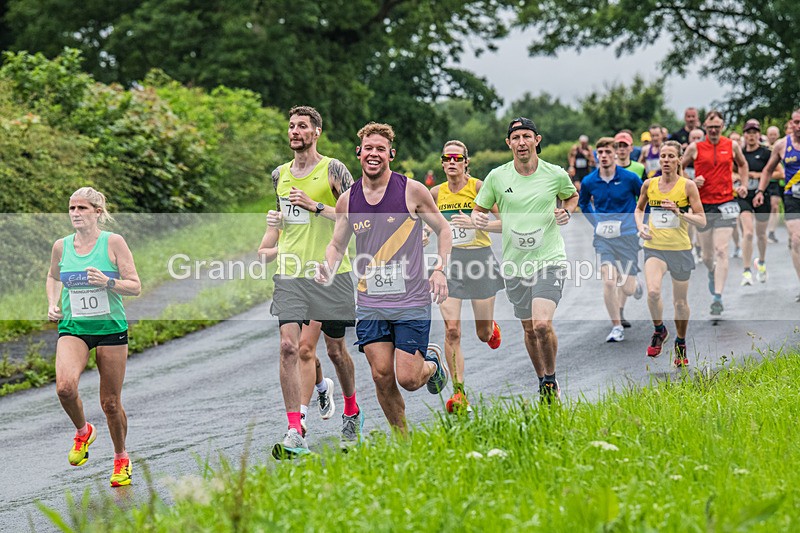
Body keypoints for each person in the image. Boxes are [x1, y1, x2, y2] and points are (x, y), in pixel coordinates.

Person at [318, 122, 452, 433]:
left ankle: (431, 364)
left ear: (391, 154)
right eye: (369, 148)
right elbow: (337, 244)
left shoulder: (411, 190)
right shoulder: (348, 200)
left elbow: (444, 229)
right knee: (381, 375)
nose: (374, 154)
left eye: (381, 149)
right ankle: (403, 444)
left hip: (411, 300)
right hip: (371, 301)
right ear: (359, 153)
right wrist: (327, 266)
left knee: (408, 378)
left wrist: (440, 269)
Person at [266, 105, 361, 459]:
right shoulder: (279, 174)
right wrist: (274, 228)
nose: (295, 131)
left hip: (330, 271)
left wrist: (315, 206)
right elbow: (284, 221)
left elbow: (357, 216)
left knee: (335, 351)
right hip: (291, 272)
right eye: (291, 126)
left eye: (302, 126)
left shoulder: (333, 169)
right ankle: (295, 429)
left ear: (316, 132)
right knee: (290, 348)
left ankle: (351, 410)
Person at [472, 117, 578, 402]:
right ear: (509, 143)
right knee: (530, 330)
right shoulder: (497, 177)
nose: (521, 142)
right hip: (515, 264)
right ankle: (542, 380)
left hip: (549, 259)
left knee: (542, 324)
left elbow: (571, 197)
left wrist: (566, 211)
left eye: (527, 136)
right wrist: (478, 219)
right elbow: (479, 209)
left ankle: (551, 380)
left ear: (536, 140)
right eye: (516, 137)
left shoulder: (555, 174)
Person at [46, 187, 142, 487]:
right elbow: (53, 276)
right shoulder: (61, 246)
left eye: (82, 208)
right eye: (71, 208)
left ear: (97, 212)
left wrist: (108, 282)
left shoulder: (113, 242)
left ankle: (121, 458)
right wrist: (52, 302)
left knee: (110, 403)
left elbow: (135, 286)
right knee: (65, 388)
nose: (75, 213)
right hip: (74, 328)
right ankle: (83, 431)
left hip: (110, 329)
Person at [428, 140, 504, 413]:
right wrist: (424, 232)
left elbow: (506, 223)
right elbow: (424, 222)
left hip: (480, 260)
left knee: (483, 334)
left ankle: (490, 327)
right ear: (442, 163)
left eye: (457, 158)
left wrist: (476, 222)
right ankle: (459, 394)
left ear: (466, 162)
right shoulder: (435, 193)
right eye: (447, 158)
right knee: (452, 330)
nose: (452, 162)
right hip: (450, 263)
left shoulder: (479, 188)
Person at [257, 228, 341, 437]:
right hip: (291, 285)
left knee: (305, 349)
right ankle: (320, 388)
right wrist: (285, 248)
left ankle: (301, 417)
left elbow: (343, 225)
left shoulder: (320, 211)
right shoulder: (282, 215)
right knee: (291, 348)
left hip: (319, 281)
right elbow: (263, 254)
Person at [635, 141, 706, 366]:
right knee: (653, 292)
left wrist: (679, 212)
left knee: (680, 303)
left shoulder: (688, 186)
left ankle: (681, 342)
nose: (666, 160)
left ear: (679, 160)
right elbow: (639, 208)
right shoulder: (649, 184)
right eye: (663, 156)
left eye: (670, 156)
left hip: (680, 249)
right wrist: (641, 225)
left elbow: (702, 220)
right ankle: (659, 330)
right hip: (655, 248)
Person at [682, 110, 749, 316]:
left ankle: (718, 297)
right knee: (707, 256)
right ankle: (712, 271)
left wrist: (743, 184)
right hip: (703, 205)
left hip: (726, 202)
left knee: (722, 250)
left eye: (717, 127)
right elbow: (679, 168)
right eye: (710, 127)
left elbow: (743, 164)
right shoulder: (695, 148)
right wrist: (691, 181)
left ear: (722, 127)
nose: (713, 130)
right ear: (704, 128)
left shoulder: (732, 145)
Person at [579, 137, 644, 342]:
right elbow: (584, 204)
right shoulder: (589, 181)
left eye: (608, 152)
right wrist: (596, 222)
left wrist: (642, 223)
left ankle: (635, 284)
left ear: (615, 154)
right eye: (600, 152)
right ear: (596, 155)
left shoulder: (630, 178)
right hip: (604, 238)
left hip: (627, 236)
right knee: (608, 282)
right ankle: (616, 326)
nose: (604, 156)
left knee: (627, 288)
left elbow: (645, 200)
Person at [754, 108, 800, 302]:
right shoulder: (782, 145)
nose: (799, 126)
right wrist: (760, 191)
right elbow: (767, 170)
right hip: (792, 198)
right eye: (796, 122)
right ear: (791, 123)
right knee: (796, 240)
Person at [737, 119, 780, 285]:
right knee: (748, 232)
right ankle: (746, 271)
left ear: (759, 135)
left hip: (762, 195)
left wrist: (758, 175)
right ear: (744, 135)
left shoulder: (766, 153)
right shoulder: (739, 153)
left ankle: (761, 262)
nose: (751, 136)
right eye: (748, 132)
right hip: (745, 196)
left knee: (761, 234)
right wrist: (741, 177)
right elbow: (730, 172)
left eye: (754, 133)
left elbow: (779, 173)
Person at [765, 125, 784, 243]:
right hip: (764, 182)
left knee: (775, 206)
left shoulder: (782, 146)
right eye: (770, 134)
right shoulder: (763, 148)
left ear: (778, 135)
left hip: (776, 182)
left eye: (774, 134)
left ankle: (771, 232)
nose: (772, 136)